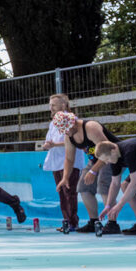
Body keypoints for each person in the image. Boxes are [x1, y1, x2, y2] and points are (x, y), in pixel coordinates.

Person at [63, 113, 119, 234]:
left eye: (67, 129)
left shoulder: (90, 127)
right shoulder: (69, 136)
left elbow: (108, 150)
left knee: (104, 186)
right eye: (63, 130)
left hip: (112, 157)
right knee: (83, 187)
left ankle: (112, 223)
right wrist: (65, 177)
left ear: (73, 123)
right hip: (94, 160)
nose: (66, 132)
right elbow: (69, 159)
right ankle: (94, 222)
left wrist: (94, 170)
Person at [44, 95, 83, 233]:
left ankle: (73, 222)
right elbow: (50, 140)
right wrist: (48, 145)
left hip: (70, 161)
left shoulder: (71, 120)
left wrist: (54, 144)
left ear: (63, 105)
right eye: (50, 105)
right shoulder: (53, 122)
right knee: (61, 193)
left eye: (53, 105)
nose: (51, 108)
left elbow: (73, 140)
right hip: (56, 162)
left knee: (69, 192)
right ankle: (67, 221)